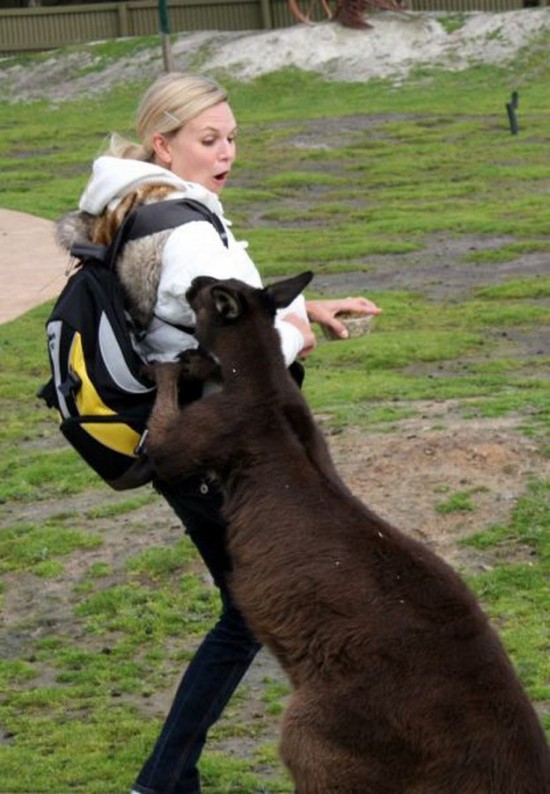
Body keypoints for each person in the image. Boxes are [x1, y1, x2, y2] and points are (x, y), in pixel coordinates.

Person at [59, 72, 381, 794]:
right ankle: (164, 780)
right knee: (248, 614)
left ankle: (171, 778)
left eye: (231, 137)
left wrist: (306, 306)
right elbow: (245, 356)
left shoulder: (137, 207)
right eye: (208, 140)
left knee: (248, 608)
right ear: (163, 145)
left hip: (186, 438)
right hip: (216, 448)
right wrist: (296, 331)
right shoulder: (185, 231)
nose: (226, 151)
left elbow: (201, 319)